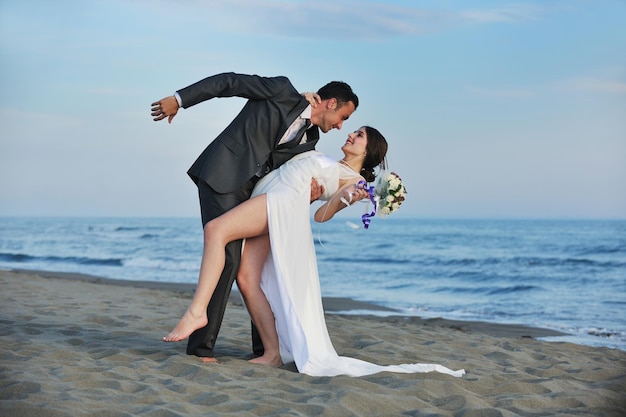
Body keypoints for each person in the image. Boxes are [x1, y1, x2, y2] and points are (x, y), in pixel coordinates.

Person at [163, 126, 466, 378]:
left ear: (368, 150)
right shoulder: (331, 160)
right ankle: (271, 353)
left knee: (216, 230)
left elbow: (322, 215)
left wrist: (346, 198)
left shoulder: (355, 181)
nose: (351, 135)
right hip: (270, 197)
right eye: (354, 131)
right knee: (246, 278)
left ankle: (197, 311)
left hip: (280, 202)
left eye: (359, 135)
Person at [151, 72, 359, 362]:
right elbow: (229, 82)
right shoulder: (282, 90)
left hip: (254, 193)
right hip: (221, 176)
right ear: (332, 103)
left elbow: (293, 174)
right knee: (230, 258)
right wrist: (179, 100)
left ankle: (264, 349)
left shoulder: (310, 140)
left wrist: (311, 191)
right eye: (343, 117)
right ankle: (201, 348)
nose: (340, 126)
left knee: (254, 269)